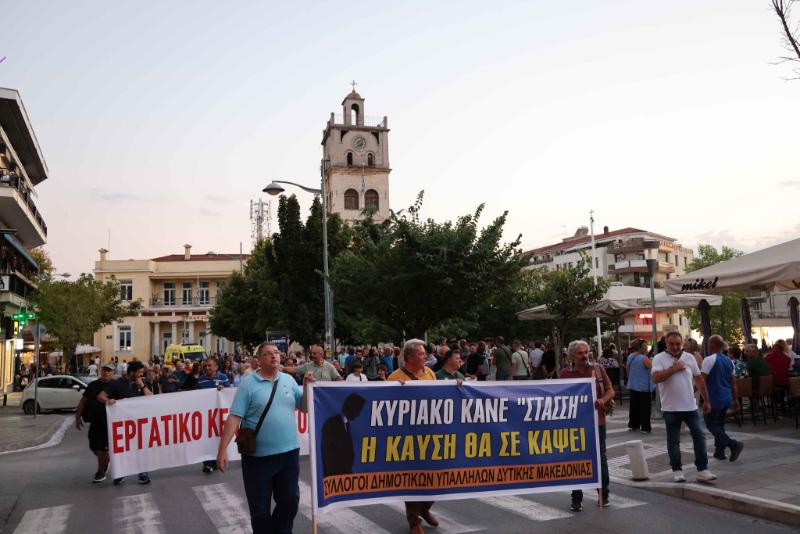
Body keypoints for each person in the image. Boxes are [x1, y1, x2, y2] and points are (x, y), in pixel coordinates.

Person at [216, 343, 311, 534]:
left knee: (290, 500)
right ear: (259, 359)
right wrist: (222, 450)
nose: (274, 356)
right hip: (257, 458)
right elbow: (234, 417)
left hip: (289, 454)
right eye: (268, 354)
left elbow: (305, 407)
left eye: (276, 353)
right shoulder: (248, 384)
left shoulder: (288, 380)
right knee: (260, 510)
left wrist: (307, 387)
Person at [651, 331, 716, 483]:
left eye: (678, 344)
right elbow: (655, 378)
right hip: (670, 408)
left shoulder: (689, 358)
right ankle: (677, 470)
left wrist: (707, 401)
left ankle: (702, 469)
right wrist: (674, 369)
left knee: (699, 435)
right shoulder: (659, 358)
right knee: (673, 440)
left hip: (690, 406)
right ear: (666, 344)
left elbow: (699, 380)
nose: (675, 347)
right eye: (671, 344)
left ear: (682, 344)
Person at [388, 339, 438, 534]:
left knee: (436, 475)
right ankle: (414, 520)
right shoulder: (395, 377)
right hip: (407, 436)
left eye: (425, 353)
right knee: (412, 478)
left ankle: (425, 508)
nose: (425, 356)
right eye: (421, 353)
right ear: (409, 357)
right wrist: (395, 390)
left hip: (430, 434)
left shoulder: (430, 373)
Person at [559, 340, 614, 511]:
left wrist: (602, 400)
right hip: (575, 424)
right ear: (572, 356)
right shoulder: (565, 373)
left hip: (597, 422)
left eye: (586, 352)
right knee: (575, 459)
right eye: (580, 353)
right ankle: (576, 498)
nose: (584, 356)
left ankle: (603, 494)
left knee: (600, 459)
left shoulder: (597, 369)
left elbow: (610, 390)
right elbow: (559, 395)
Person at [98, 361, 154, 485]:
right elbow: (100, 396)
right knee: (122, 449)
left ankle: (143, 473)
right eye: (139, 373)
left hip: (139, 422)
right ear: (131, 372)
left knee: (141, 448)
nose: (141, 375)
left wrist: (142, 386)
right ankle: (120, 474)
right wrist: (108, 400)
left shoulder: (142, 382)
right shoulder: (117, 383)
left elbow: (151, 398)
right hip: (122, 423)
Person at [701, 335, 744, 462]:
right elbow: (733, 383)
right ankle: (719, 452)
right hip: (726, 397)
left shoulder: (709, 360)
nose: (707, 345)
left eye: (709, 343)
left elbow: (701, 381)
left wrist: (691, 392)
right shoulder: (729, 361)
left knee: (711, 424)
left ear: (712, 345)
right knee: (720, 425)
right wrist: (735, 399)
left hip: (714, 397)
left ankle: (733, 444)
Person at [75, 363, 115, 483]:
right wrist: (78, 416)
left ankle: (101, 472)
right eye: (104, 370)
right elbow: (83, 401)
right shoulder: (93, 385)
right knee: (93, 446)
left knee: (103, 448)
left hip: (108, 422)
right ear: (100, 371)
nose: (106, 372)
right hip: (95, 421)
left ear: (112, 373)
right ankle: (106, 460)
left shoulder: (115, 386)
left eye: (109, 371)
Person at [198, 358, 231, 473]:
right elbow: (196, 395)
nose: (207, 368)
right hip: (205, 414)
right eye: (205, 366)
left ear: (216, 367)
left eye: (209, 366)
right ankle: (207, 463)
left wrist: (223, 390)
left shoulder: (223, 377)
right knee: (206, 438)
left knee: (217, 437)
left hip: (219, 414)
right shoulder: (201, 380)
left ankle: (216, 460)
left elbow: (229, 393)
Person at [626, 339, 654, 434]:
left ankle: (633, 425)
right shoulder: (643, 358)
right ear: (639, 347)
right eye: (645, 346)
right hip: (643, 386)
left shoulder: (630, 356)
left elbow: (627, 369)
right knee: (645, 407)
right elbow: (652, 368)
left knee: (634, 406)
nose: (646, 348)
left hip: (632, 384)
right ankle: (645, 427)